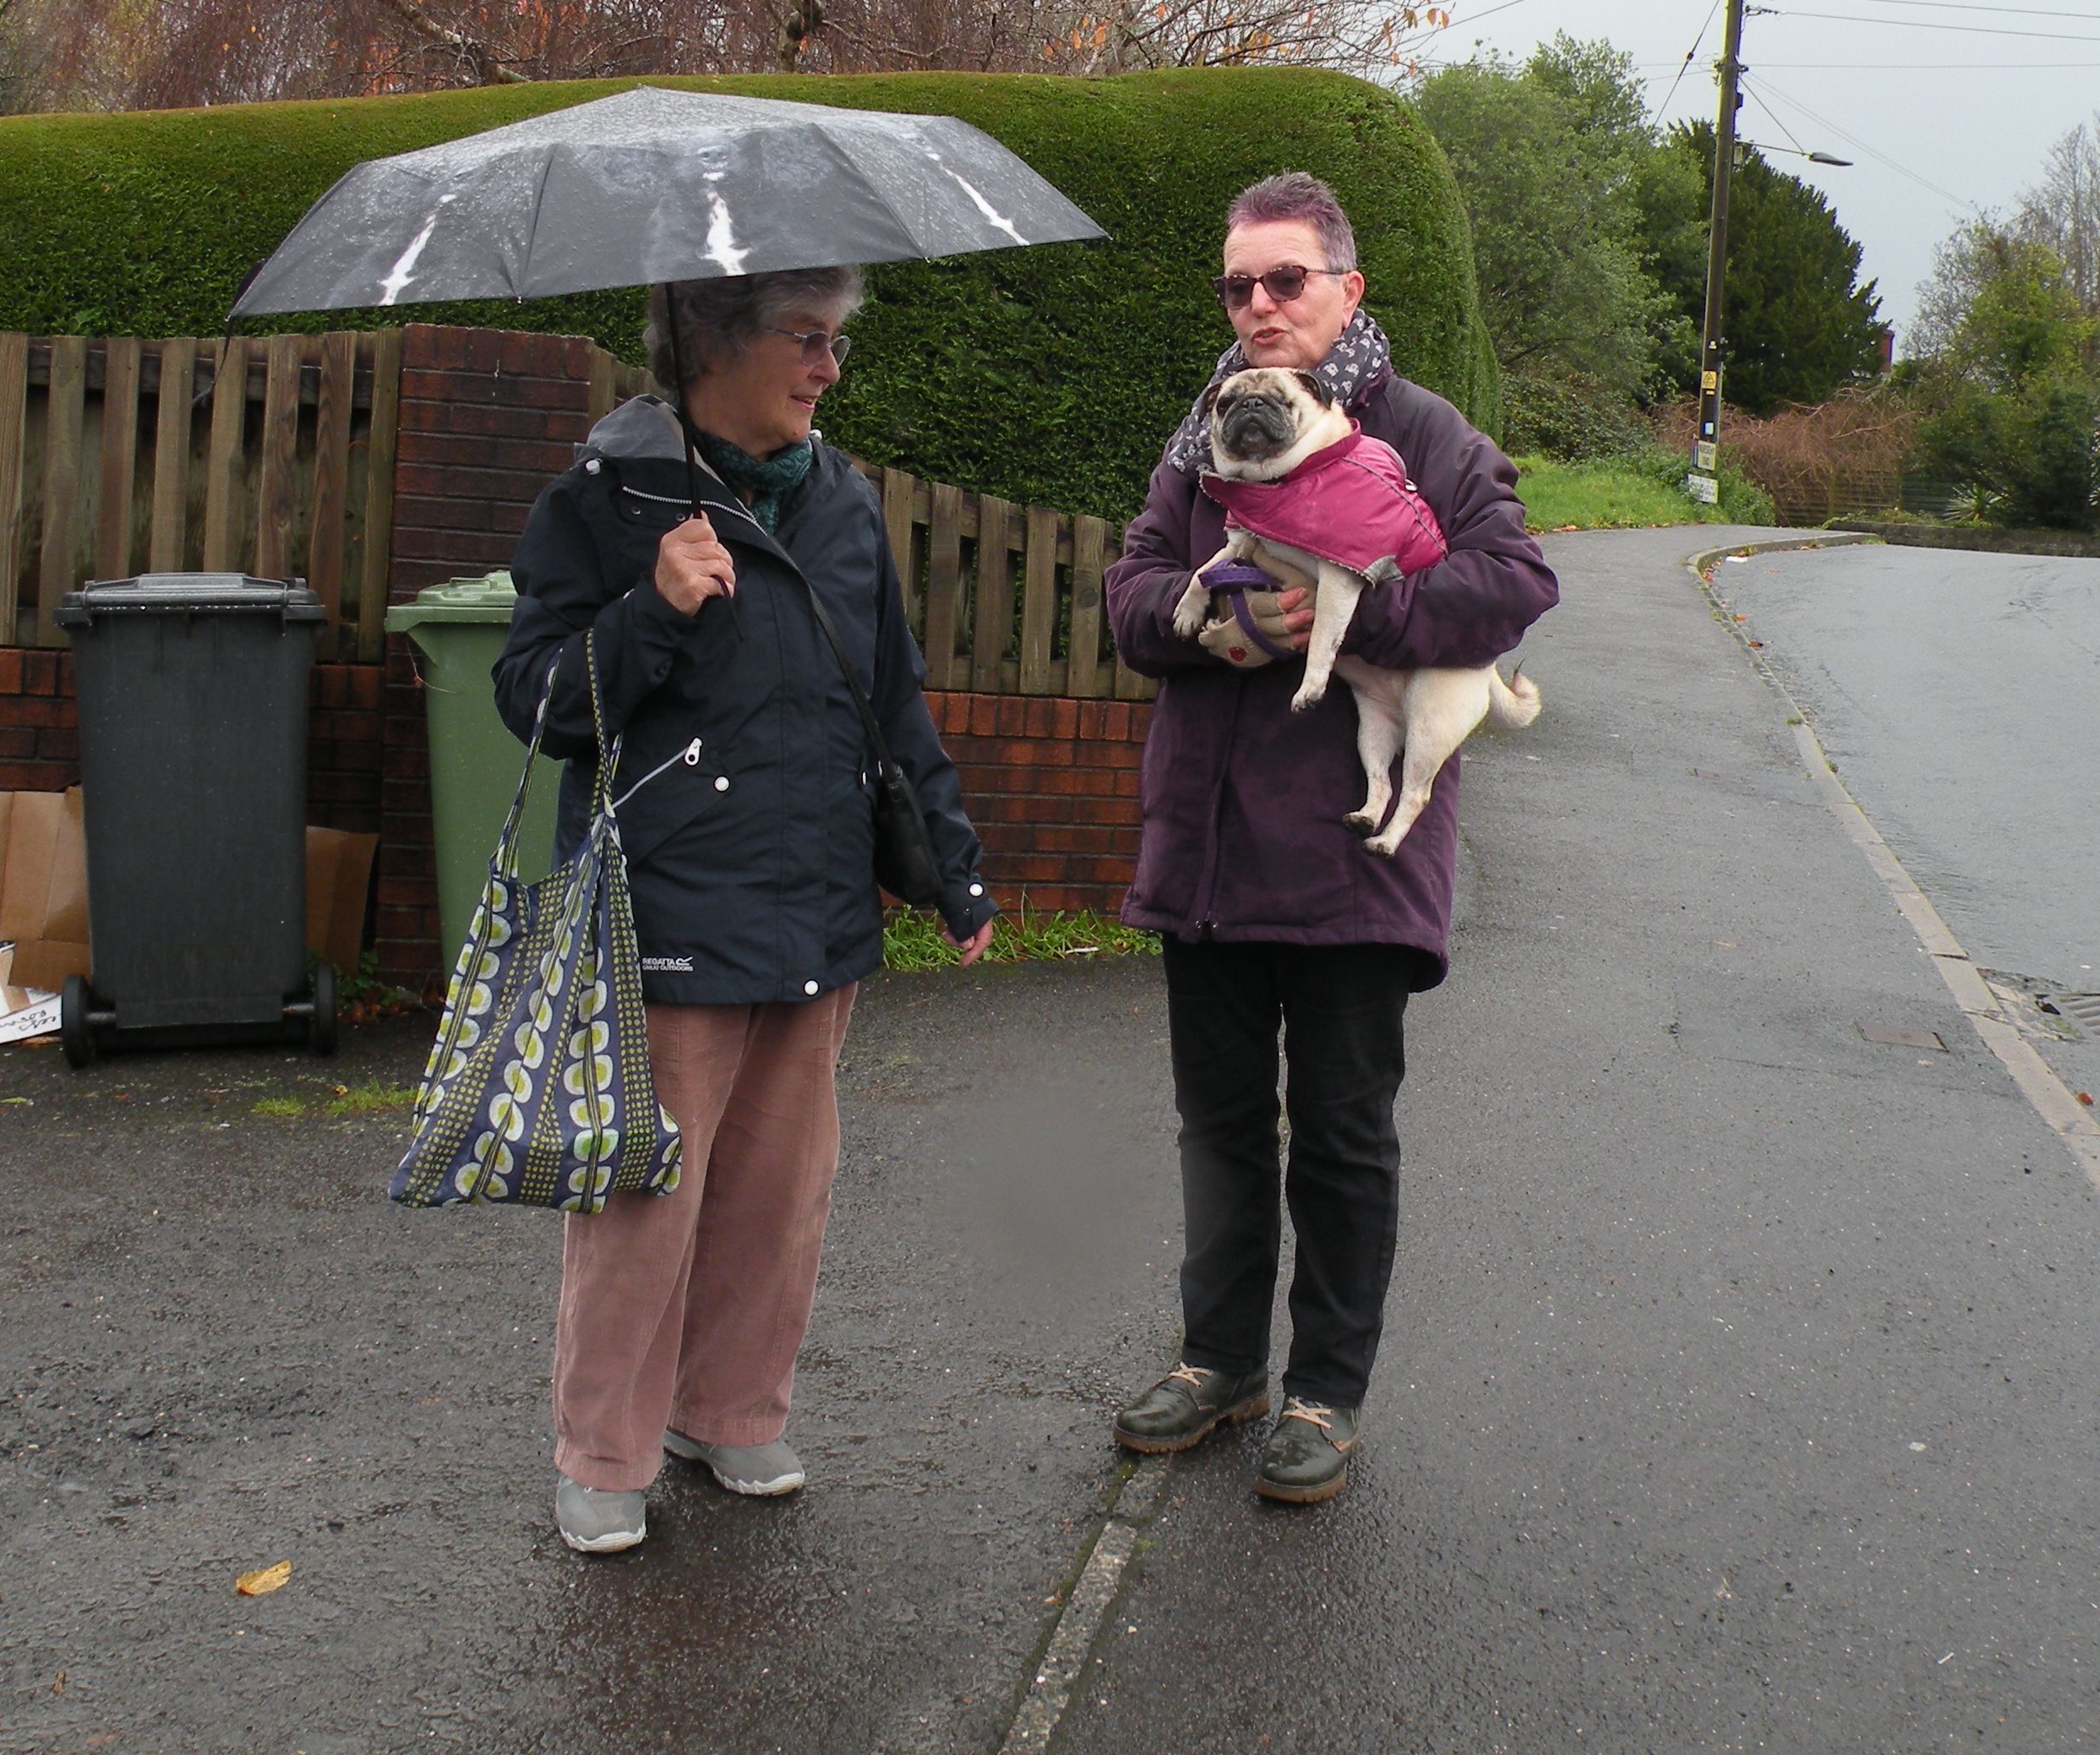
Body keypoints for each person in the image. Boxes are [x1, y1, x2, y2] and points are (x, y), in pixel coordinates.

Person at [493, 267, 997, 1556]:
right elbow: (539, 704)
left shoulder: (839, 501)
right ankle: (606, 1447)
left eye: (838, 342)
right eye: (805, 339)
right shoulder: (603, 503)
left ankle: (729, 1409)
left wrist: (951, 865)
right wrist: (647, 609)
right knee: (643, 1194)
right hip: (668, 901)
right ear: (710, 344)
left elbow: (893, 701)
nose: (830, 368)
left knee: (782, 1191)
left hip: (816, 901)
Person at [1103, 172, 1557, 1503]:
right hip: (1206, 855)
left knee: (1344, 1137)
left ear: (1346, 291)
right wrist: (1200, 623)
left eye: (1284, 279)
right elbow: (1130, 593)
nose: (1257, 305)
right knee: (1221, 1128)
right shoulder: (1205, 436)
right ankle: (1217, 1363)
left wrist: (1359, 622)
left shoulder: (1423, 433)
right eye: (1239, 284)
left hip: (1356, 866)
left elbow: (1516, 582)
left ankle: (1325, 1392)